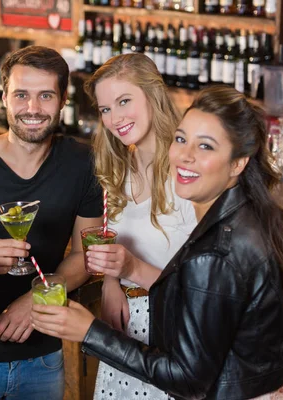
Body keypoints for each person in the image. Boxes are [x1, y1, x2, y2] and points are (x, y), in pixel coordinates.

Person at [31, 86, 283, 399]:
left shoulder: (215, 253)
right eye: (181, 139)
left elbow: (188, 381)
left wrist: (90, 332)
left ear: (238, 163)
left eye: (205, 146)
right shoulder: (260, 219)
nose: (184, 155)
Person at [0, 45, 103, 399]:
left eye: (45, 96)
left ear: (61, 99)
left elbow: (87, 255)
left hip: (44, 356)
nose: (33, 109)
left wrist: (37, 297)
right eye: (21, 95)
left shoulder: (84, 163)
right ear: (5, 97)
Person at [82, 54, 198, 399]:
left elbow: (205, 286)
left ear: (153, 94)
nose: (115, 119)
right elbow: (113, 244)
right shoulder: (118, 166)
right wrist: (111, 283)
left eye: (124, 101)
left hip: (173, 330)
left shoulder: (189, 170)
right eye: (105, 110)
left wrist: (132, 269)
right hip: (126, 328)